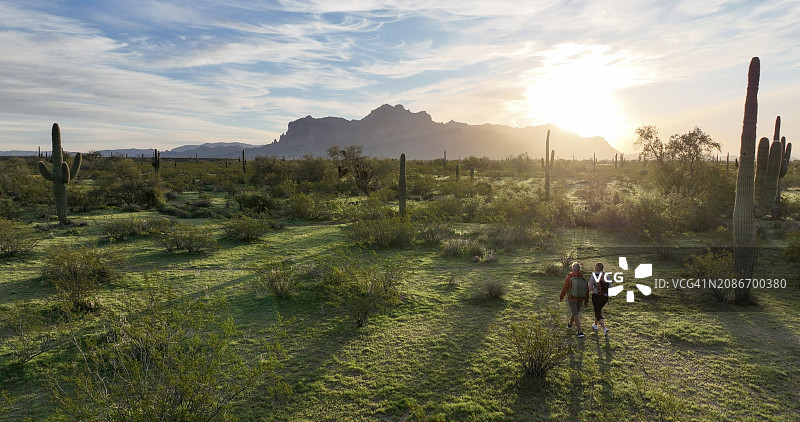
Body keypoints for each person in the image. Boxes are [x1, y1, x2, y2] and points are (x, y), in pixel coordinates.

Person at [559, 262, 589, 338]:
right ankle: (570, 324)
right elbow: (587, 290)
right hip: (580, 299)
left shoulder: (569, 278)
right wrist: (586, 300)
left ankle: (580, 331)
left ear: (573, 268)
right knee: (575, 312)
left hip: (572, 298)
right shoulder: (584, 278)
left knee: (575, 314)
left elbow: (564, 288)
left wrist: (561, 296)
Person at [588, 262, 610, 335]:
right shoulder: (607, 275)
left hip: (596, 296)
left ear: (596, 268)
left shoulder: (594, 275)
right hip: (605, 297)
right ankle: (595, 325)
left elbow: (590, 288)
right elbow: (610, 287)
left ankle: (604, 328)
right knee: (598, 311)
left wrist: (594, 288)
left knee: (598, 312)